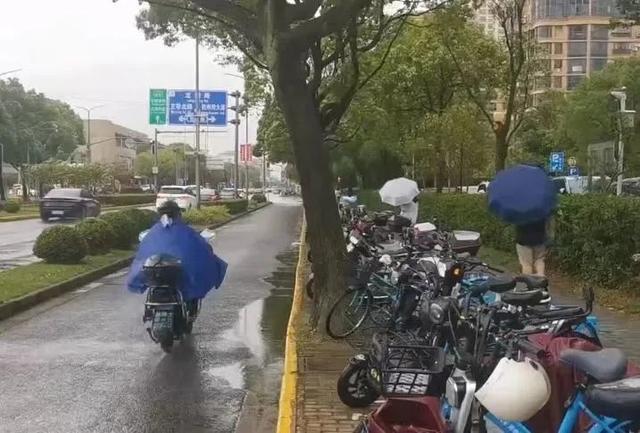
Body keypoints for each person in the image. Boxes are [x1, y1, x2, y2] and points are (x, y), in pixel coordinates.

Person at [126, 200, 227, 317]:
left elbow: (142, 255)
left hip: (156, 272)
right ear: (178, 214)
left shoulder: (153, 232)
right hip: (177, 273)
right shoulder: (186, 231)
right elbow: (201, 249)